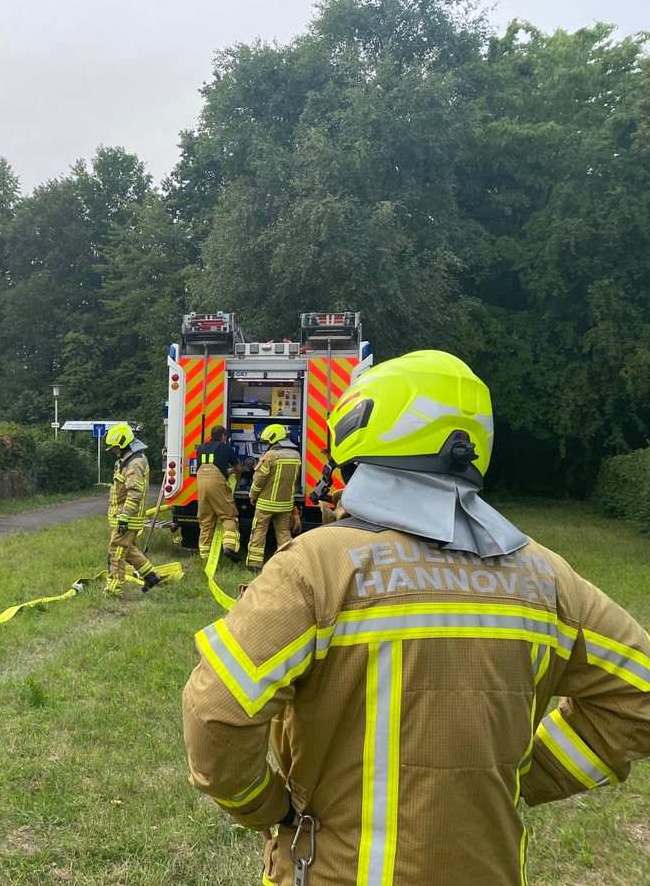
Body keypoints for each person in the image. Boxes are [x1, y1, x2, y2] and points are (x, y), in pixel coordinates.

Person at [181, 350, 650, 886]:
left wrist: (266, 808)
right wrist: (518, 778)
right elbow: (638, 698)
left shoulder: (319, 566)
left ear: (363, 431)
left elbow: (217, 710)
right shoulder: (548, 579)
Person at [104, 423, 162, 596]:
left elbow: (134, 492)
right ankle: (151, 576)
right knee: (128, 550)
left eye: (115, 447)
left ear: (123, 444)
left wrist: (124, 516)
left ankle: (113, 591)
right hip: (127, 517)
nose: (114, 450)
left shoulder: (134, 463)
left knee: (116, 553)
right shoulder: (128, 459)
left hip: (128, 518)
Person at [244, 423, 301, 573]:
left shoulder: (271, 455)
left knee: (259, 531)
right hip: (285, 504)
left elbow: (259, 479)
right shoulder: (296, 455)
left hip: (266, 504)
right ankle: (288, 564)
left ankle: (254, 565)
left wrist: (252, 495)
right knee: (283, 533)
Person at [193, 425, 242, 564]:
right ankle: (229, 547)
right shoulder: (226, 447)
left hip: (201, 482)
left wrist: (226, 471)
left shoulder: (201, 447)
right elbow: (237, 468)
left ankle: (204, 556)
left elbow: (211, 465)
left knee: (206, 520)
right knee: (228, 516)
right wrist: (237, 477)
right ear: (224, 436)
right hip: (217, 485)